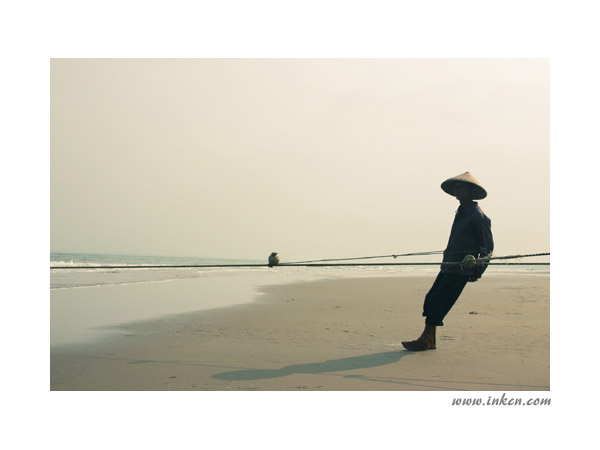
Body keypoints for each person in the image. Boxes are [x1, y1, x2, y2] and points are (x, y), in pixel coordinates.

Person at [402, 171, 494, 351]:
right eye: (456, 188)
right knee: (431, 299)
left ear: (470, 191)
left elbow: (487, 247)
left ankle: (425, 338)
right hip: (449, 264)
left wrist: (478, 271)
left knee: (438, 301)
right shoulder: (461, 212)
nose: (458, 191)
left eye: (461, 188)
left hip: (461, 268)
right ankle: (431, 340)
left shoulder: (477, 216)